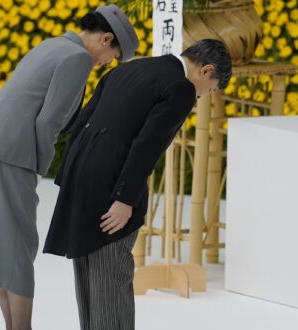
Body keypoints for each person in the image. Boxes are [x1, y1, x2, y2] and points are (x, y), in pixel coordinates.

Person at [0, 4, 139, 330]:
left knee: (4, 245)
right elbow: (49, 120)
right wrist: (40, 166)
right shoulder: (78, 58)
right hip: (14, 154)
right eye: (114, 55)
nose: (108, 63)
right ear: (106, 38)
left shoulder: (53, 44)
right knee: (18, 248)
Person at [44, 39, 232, 330]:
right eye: (210, 89)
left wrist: (69, 172)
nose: (203, 96)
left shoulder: (131, 68)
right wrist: (124, 199)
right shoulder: (180, 87)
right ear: (206, 71)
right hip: (111, 181)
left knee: (86, 264)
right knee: (110, 269)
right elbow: (148, 145)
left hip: (82, 171)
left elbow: (83, 119)